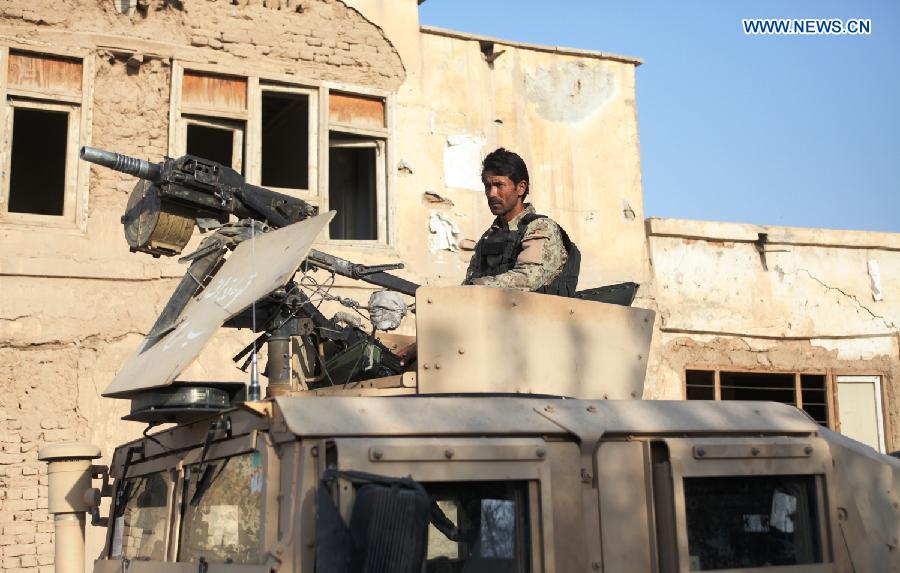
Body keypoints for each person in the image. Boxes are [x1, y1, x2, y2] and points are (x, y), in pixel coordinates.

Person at [463, 148, 579, 295]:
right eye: (487, 186)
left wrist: (476, 287)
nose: (492, 194)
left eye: (499, 185)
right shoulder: (489, 236)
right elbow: (470, 282)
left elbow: (528, 278)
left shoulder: (541, 228)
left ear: (521, 188)